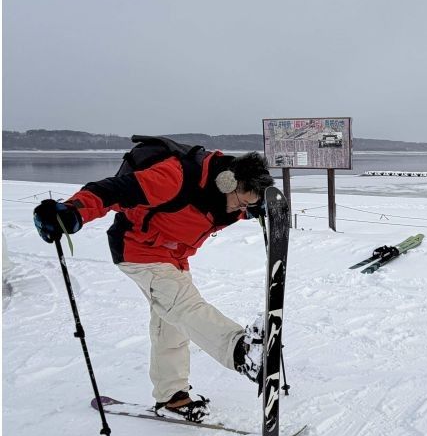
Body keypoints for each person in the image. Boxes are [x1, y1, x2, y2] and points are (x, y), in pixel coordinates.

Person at [33, 146, 275, 421]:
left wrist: (258, 209)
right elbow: (112, 191)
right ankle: (242, 352)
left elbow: (233, 207)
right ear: (227, 181)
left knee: (171, 325)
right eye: (240, 203)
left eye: (247, 207)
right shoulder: (174, 177)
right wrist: (73, 212)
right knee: (184, 307)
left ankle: (171, 397)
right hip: (139, 250)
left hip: (174, 257)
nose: (240, 211)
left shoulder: (229, 197)